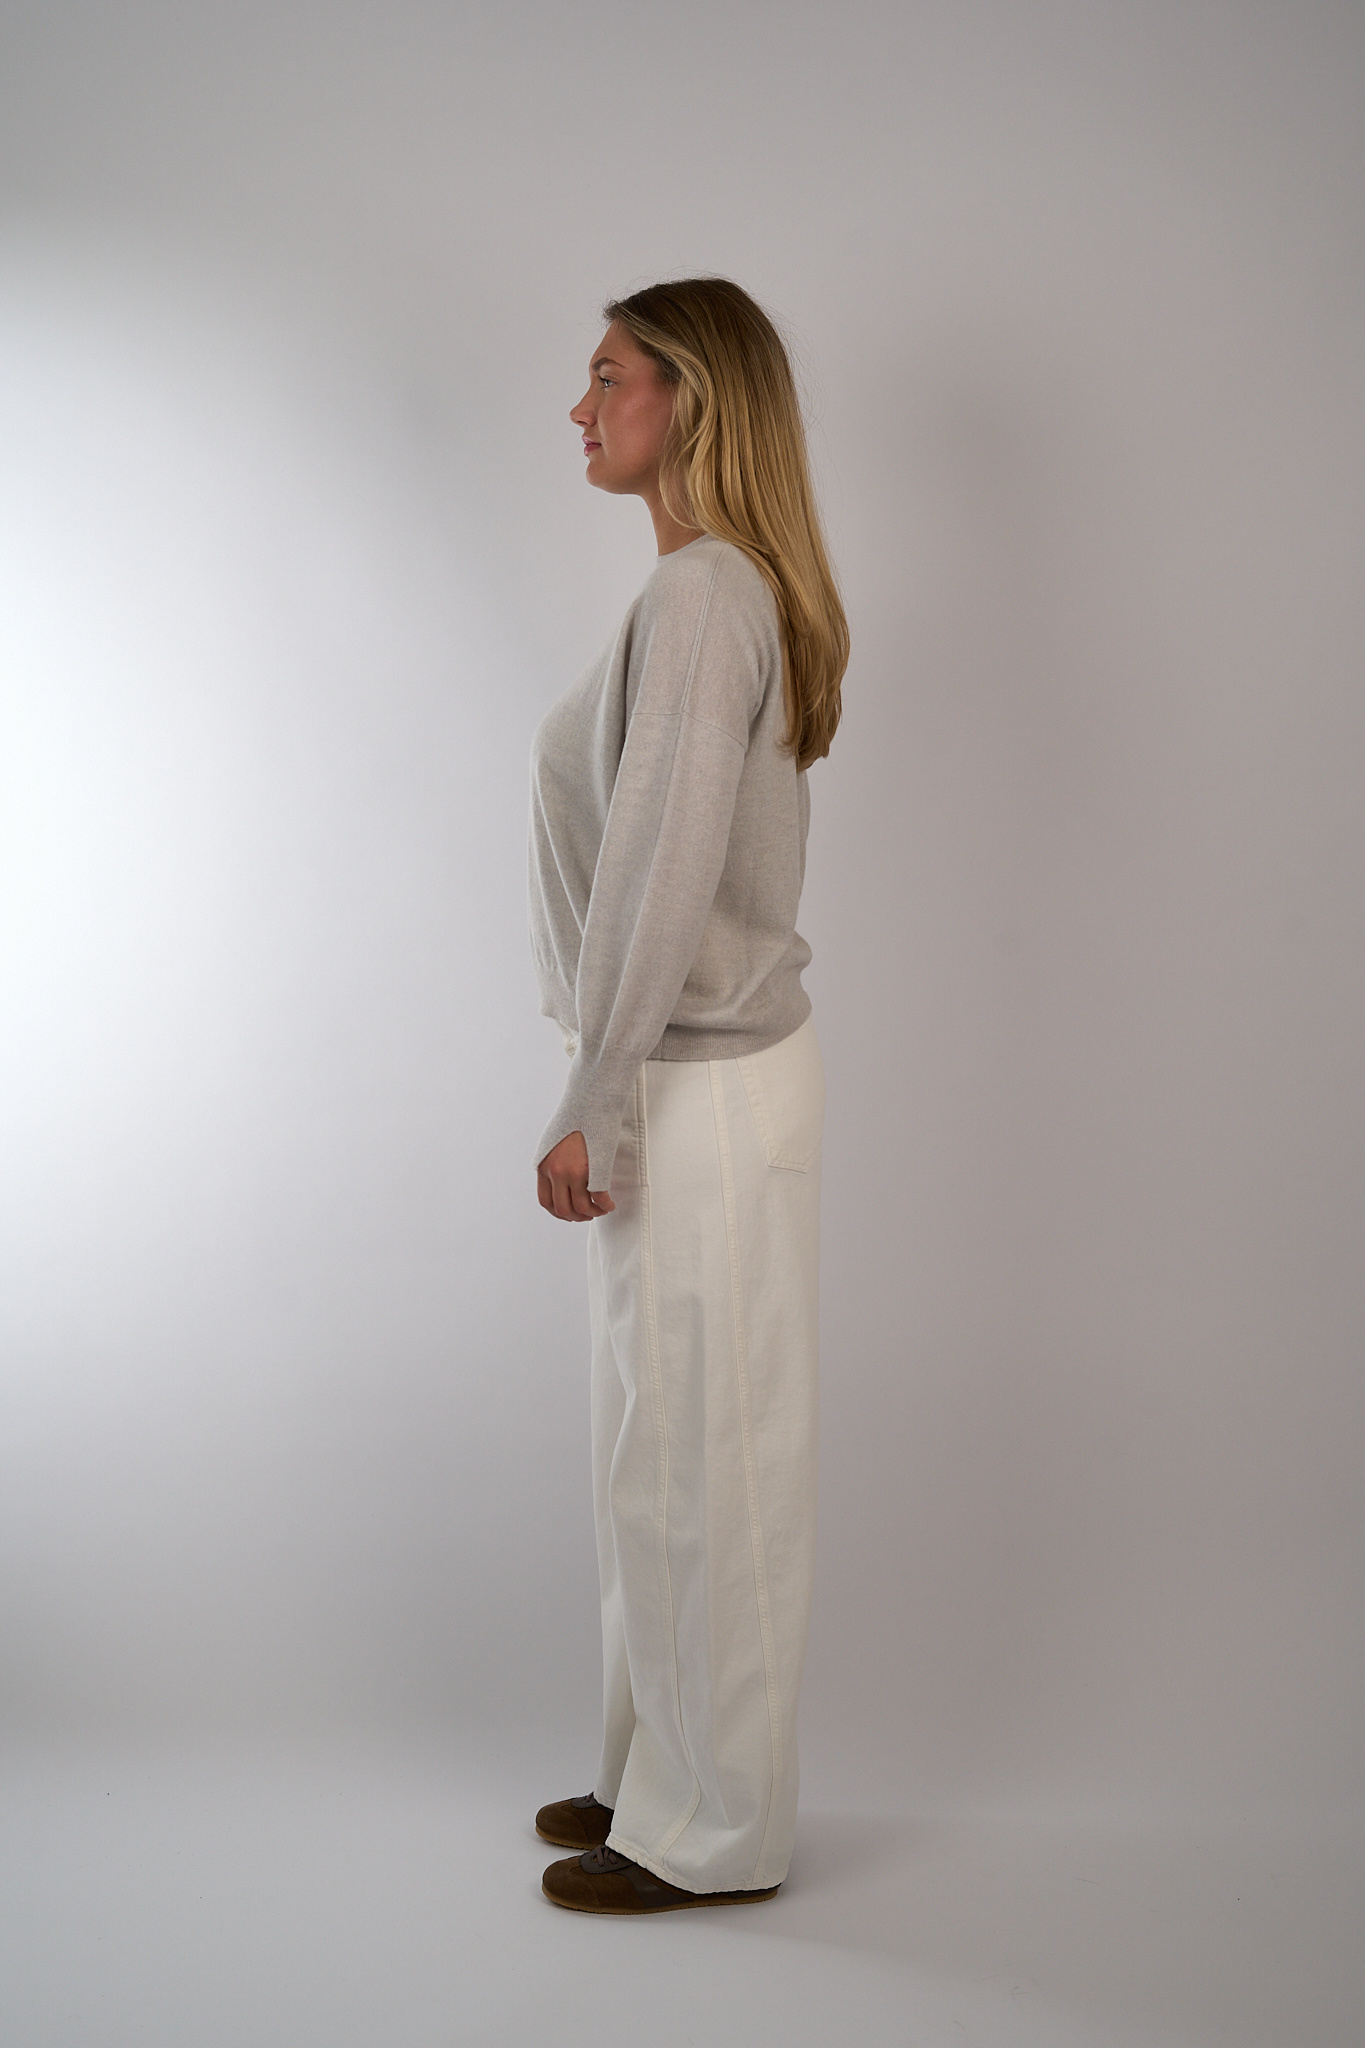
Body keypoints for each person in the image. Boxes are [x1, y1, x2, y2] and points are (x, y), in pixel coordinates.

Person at [527, 277, 848, 1915]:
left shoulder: (708, 593)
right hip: (683, 1076)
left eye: (609, 377)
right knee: (655, 1456)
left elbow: (655, 872)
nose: (580, 409)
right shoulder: (702, 590)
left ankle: (715, 1832)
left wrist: (595, 1090)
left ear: (691, 398)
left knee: (708, 1462)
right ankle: (653, 1772)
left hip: (697, 1083)